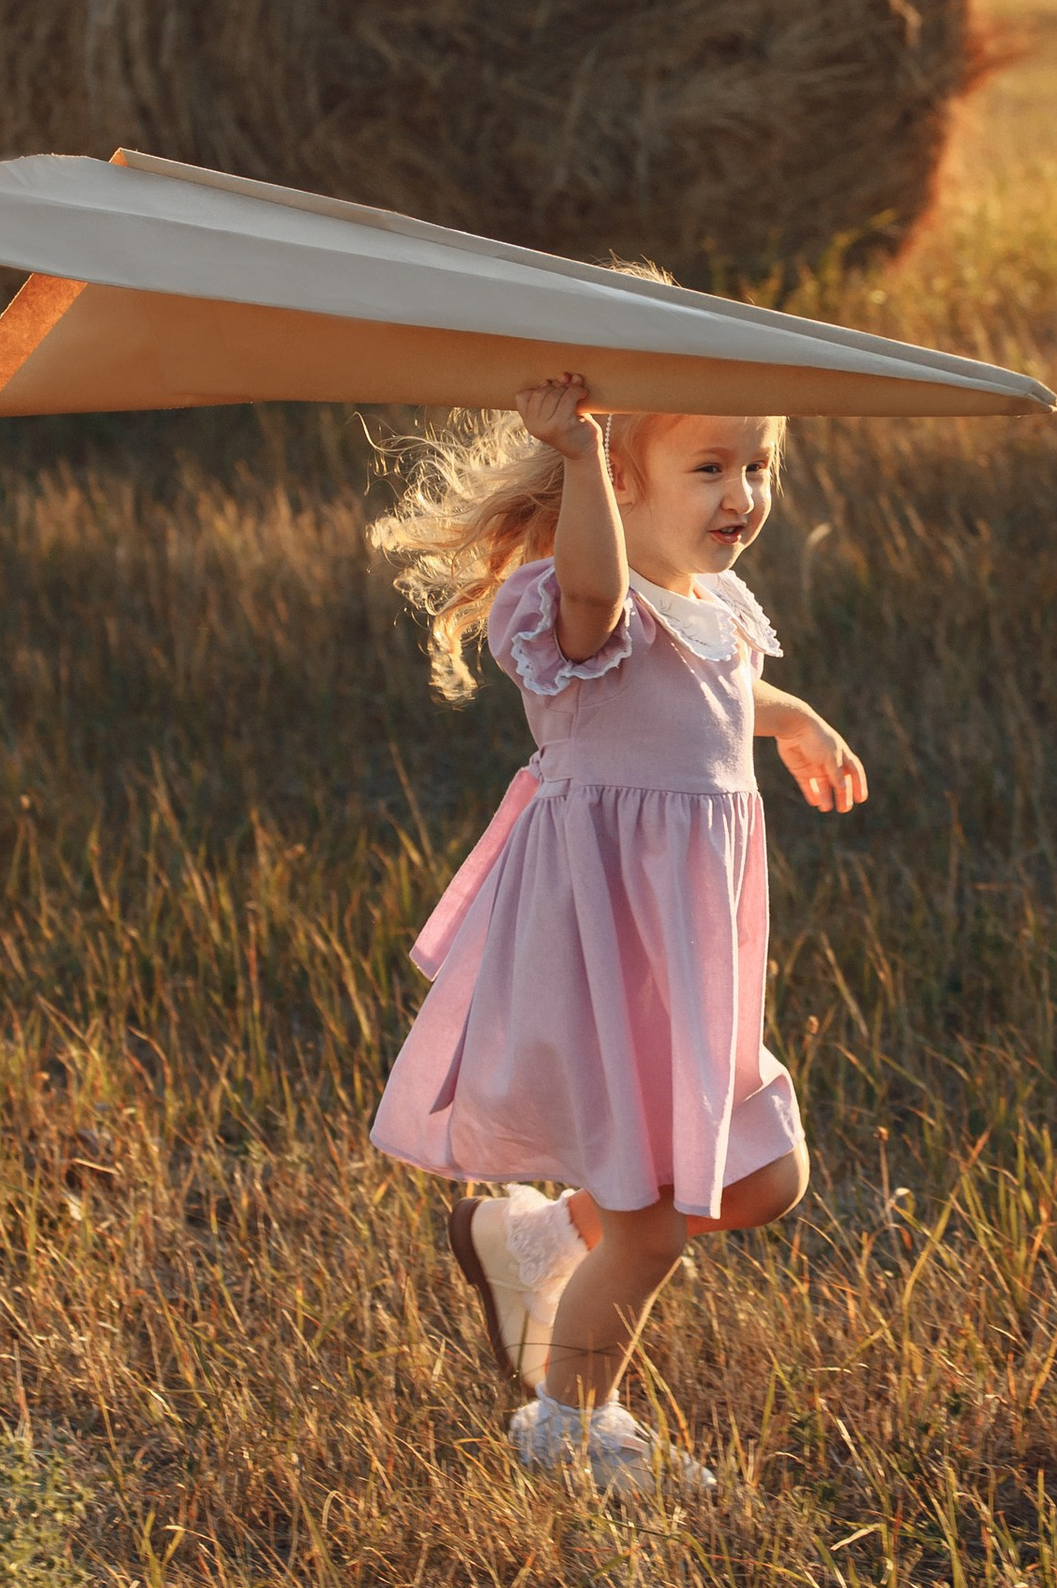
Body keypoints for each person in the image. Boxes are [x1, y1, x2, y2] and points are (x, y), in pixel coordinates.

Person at [368, 372, 867, 1494]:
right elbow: (599, 602)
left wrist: (796, 720)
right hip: (602, 954)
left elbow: (716, 696)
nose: (742, 492)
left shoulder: (709, 603)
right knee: (649, 1223)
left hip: (682, 966)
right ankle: (570, 1432)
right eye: (709, 468)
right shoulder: (573, 602)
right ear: (620, 480)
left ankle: (534, 1242)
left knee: (761, 1179)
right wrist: (581, 455)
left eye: (757, 466)